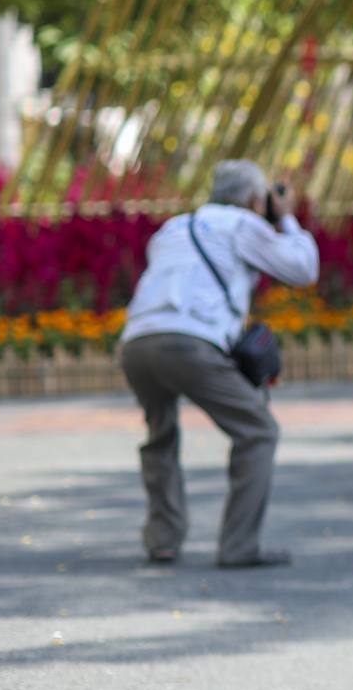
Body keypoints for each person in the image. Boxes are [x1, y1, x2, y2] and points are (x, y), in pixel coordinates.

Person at [118, 160, 320, 567]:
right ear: (252, 198)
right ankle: (239, 546)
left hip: (136, 343)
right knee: (258, 431)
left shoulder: (172, 228)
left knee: (160, 434)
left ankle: (163, 539)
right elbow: (303, 269)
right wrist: (286, 219)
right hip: (189, 343)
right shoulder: (240, 224)